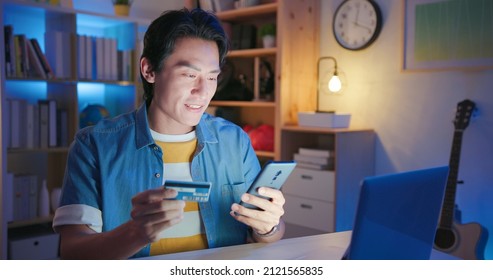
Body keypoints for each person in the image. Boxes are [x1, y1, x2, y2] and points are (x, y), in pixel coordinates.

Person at [53, 8, 286, 259]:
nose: (203, 91)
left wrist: (269, 227)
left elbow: (268, 235)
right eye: (189, 75)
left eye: (212, 77)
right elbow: (72, 253)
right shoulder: (94, 145)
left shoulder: (235, 141)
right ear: (149, 70)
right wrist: (135, 233)